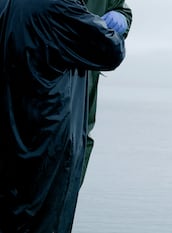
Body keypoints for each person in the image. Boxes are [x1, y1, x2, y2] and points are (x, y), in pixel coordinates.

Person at [0, 0, 125, 232]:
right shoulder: (58, 6)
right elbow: (111, 50)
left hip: (15, 131)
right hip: (48, 138)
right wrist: (106, 26)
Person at [81, 0, 133, 184]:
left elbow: (121, 8)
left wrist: (123, 19)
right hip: (43, 82)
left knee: (80, 142)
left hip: (87, 83)